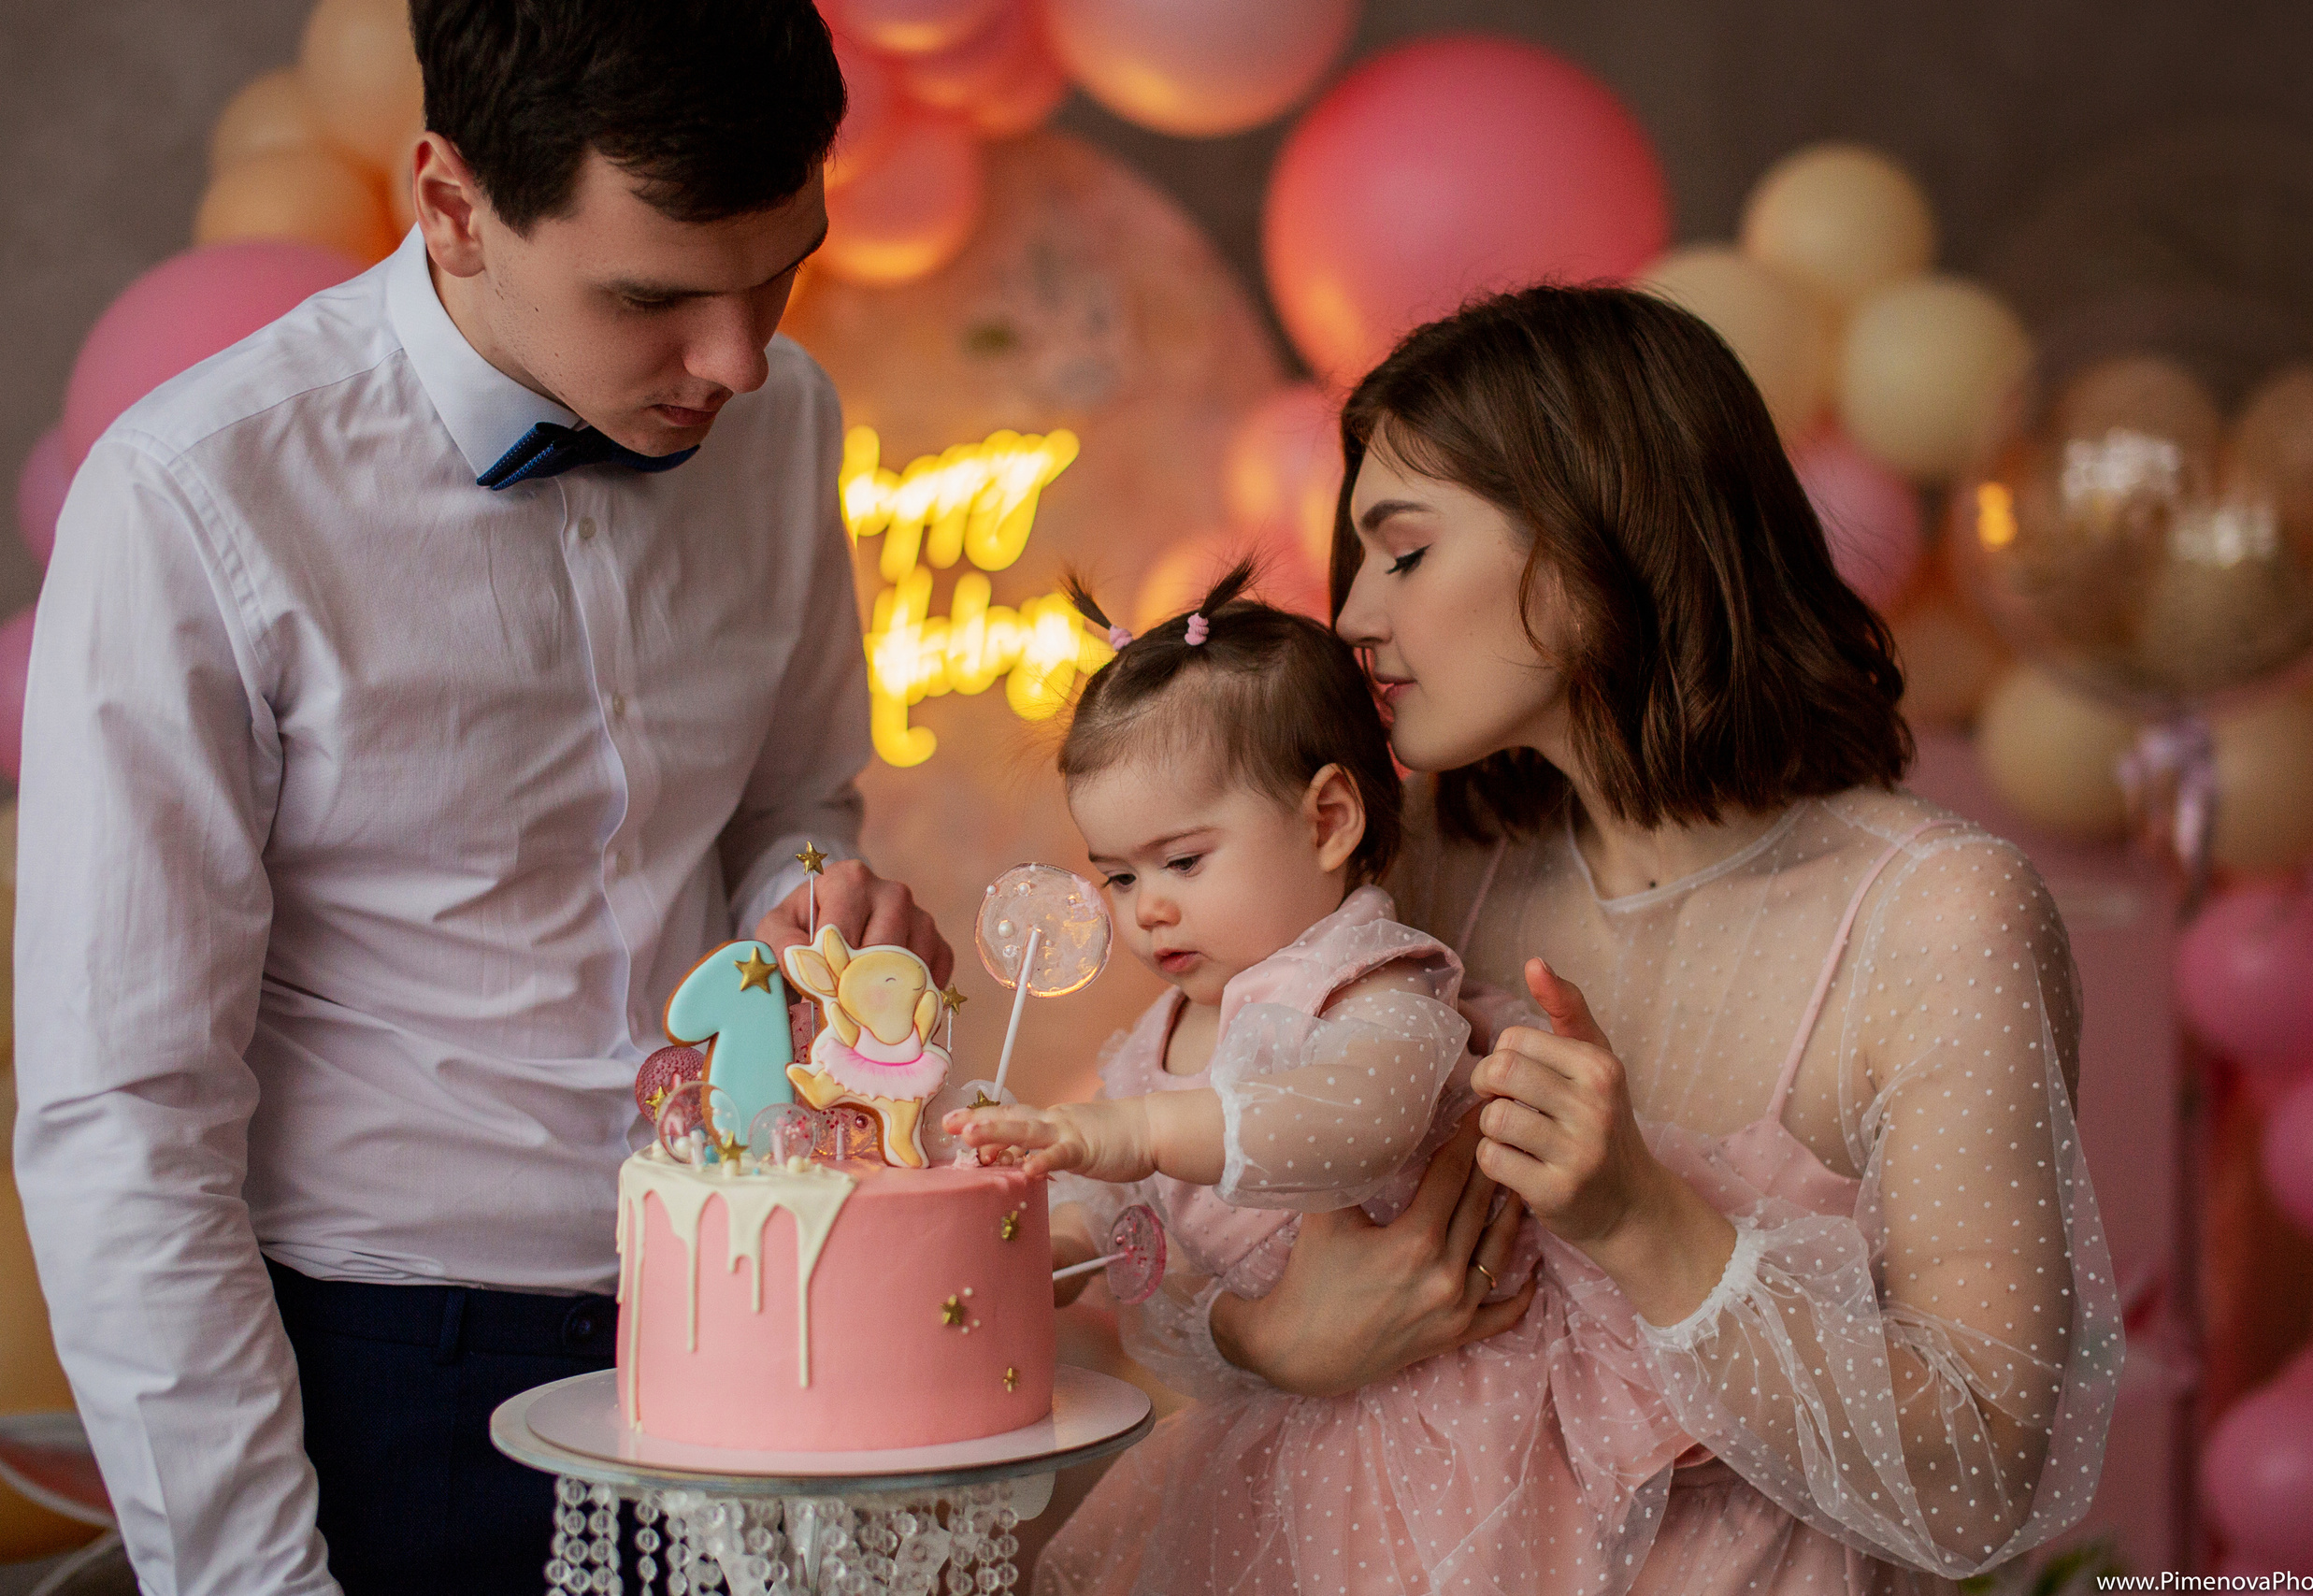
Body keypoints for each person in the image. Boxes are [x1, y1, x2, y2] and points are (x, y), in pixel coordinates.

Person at [12, 6, 945, 1594]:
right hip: (381, 1379)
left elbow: (791, 803)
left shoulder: (784, 419)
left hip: (749, 1322)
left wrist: (803, 913)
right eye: (654, 296)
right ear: (448, 201)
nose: (737, 359)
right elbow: (128, 1113)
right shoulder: (196, 498)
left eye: (778, 273)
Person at [1047, 285, 2122, 1594]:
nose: (1357, 619)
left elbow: (1984, 1477)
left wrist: (1649, 1225)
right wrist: (1266, 1338)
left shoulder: (1940, 915)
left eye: (1406, 551)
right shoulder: (1427, 858)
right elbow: (1189, 1205)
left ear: (1587, 534)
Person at [955, 561, 1711, 1590]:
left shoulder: (1366, 984)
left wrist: (1129, 1131)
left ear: (1327, 822)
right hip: (1289, 1438)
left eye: (1183, 862)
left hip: (1446, 1427)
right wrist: (1006, 1224)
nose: (1147, 910)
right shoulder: (1155, 1039)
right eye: (1120, 877)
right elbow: (1127, 1224)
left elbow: (1356, 1124)